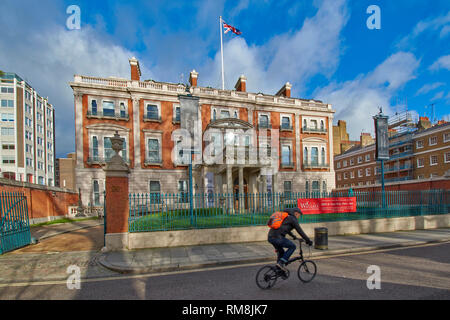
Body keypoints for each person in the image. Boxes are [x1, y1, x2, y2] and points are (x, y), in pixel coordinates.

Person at [268, 207, 313, 272]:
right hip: (277, 238)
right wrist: (308, 240)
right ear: (296, 213)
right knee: (292, 246)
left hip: (270, 237)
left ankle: (278, 269)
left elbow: (286, 228)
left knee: (281, 252)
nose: (298, 217)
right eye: (299, 215)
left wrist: (293, 236)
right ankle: (280, 264)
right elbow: (300, 231)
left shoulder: (286, 217)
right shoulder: (293, 219)